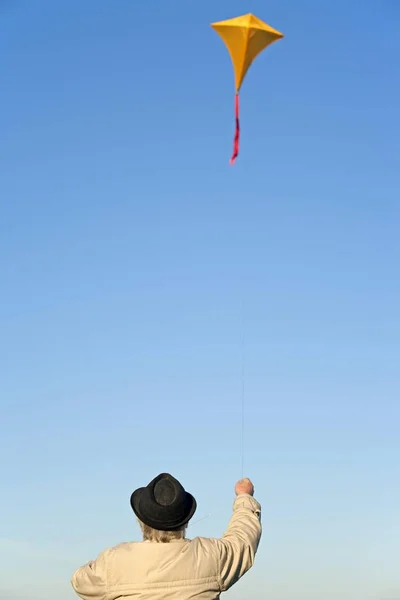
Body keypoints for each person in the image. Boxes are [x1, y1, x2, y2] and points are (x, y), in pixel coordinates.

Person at [71, 472, 262, 600]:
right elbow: (243, 539)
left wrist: (107, 563)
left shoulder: (114, 561)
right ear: (185, 520)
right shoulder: (210, 555)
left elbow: (79, 581)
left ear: (141, 521)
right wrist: (244, 496)